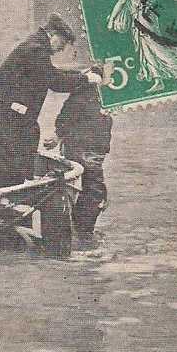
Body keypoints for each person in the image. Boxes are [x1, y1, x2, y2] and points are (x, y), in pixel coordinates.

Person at [0, 13, 104, 189]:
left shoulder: (34, 46)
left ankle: (16, 187)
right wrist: (87, 80)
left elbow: (51, 73)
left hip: (1, 115)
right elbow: (54, 81)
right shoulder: (36, 50)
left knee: (24, 141)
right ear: (52, 35)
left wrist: (82, 75)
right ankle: (14, 192)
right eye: (62, 44)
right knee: (8, 162)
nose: (60, 49)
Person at [53, 74, 113, 249]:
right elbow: (65, 117)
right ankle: (82, 234)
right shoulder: (84, 94)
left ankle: (81, 231)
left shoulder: (103, 97)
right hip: (82, 150)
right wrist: (58, 135)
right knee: (94, 192)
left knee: (92, 192)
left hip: (92, 151)